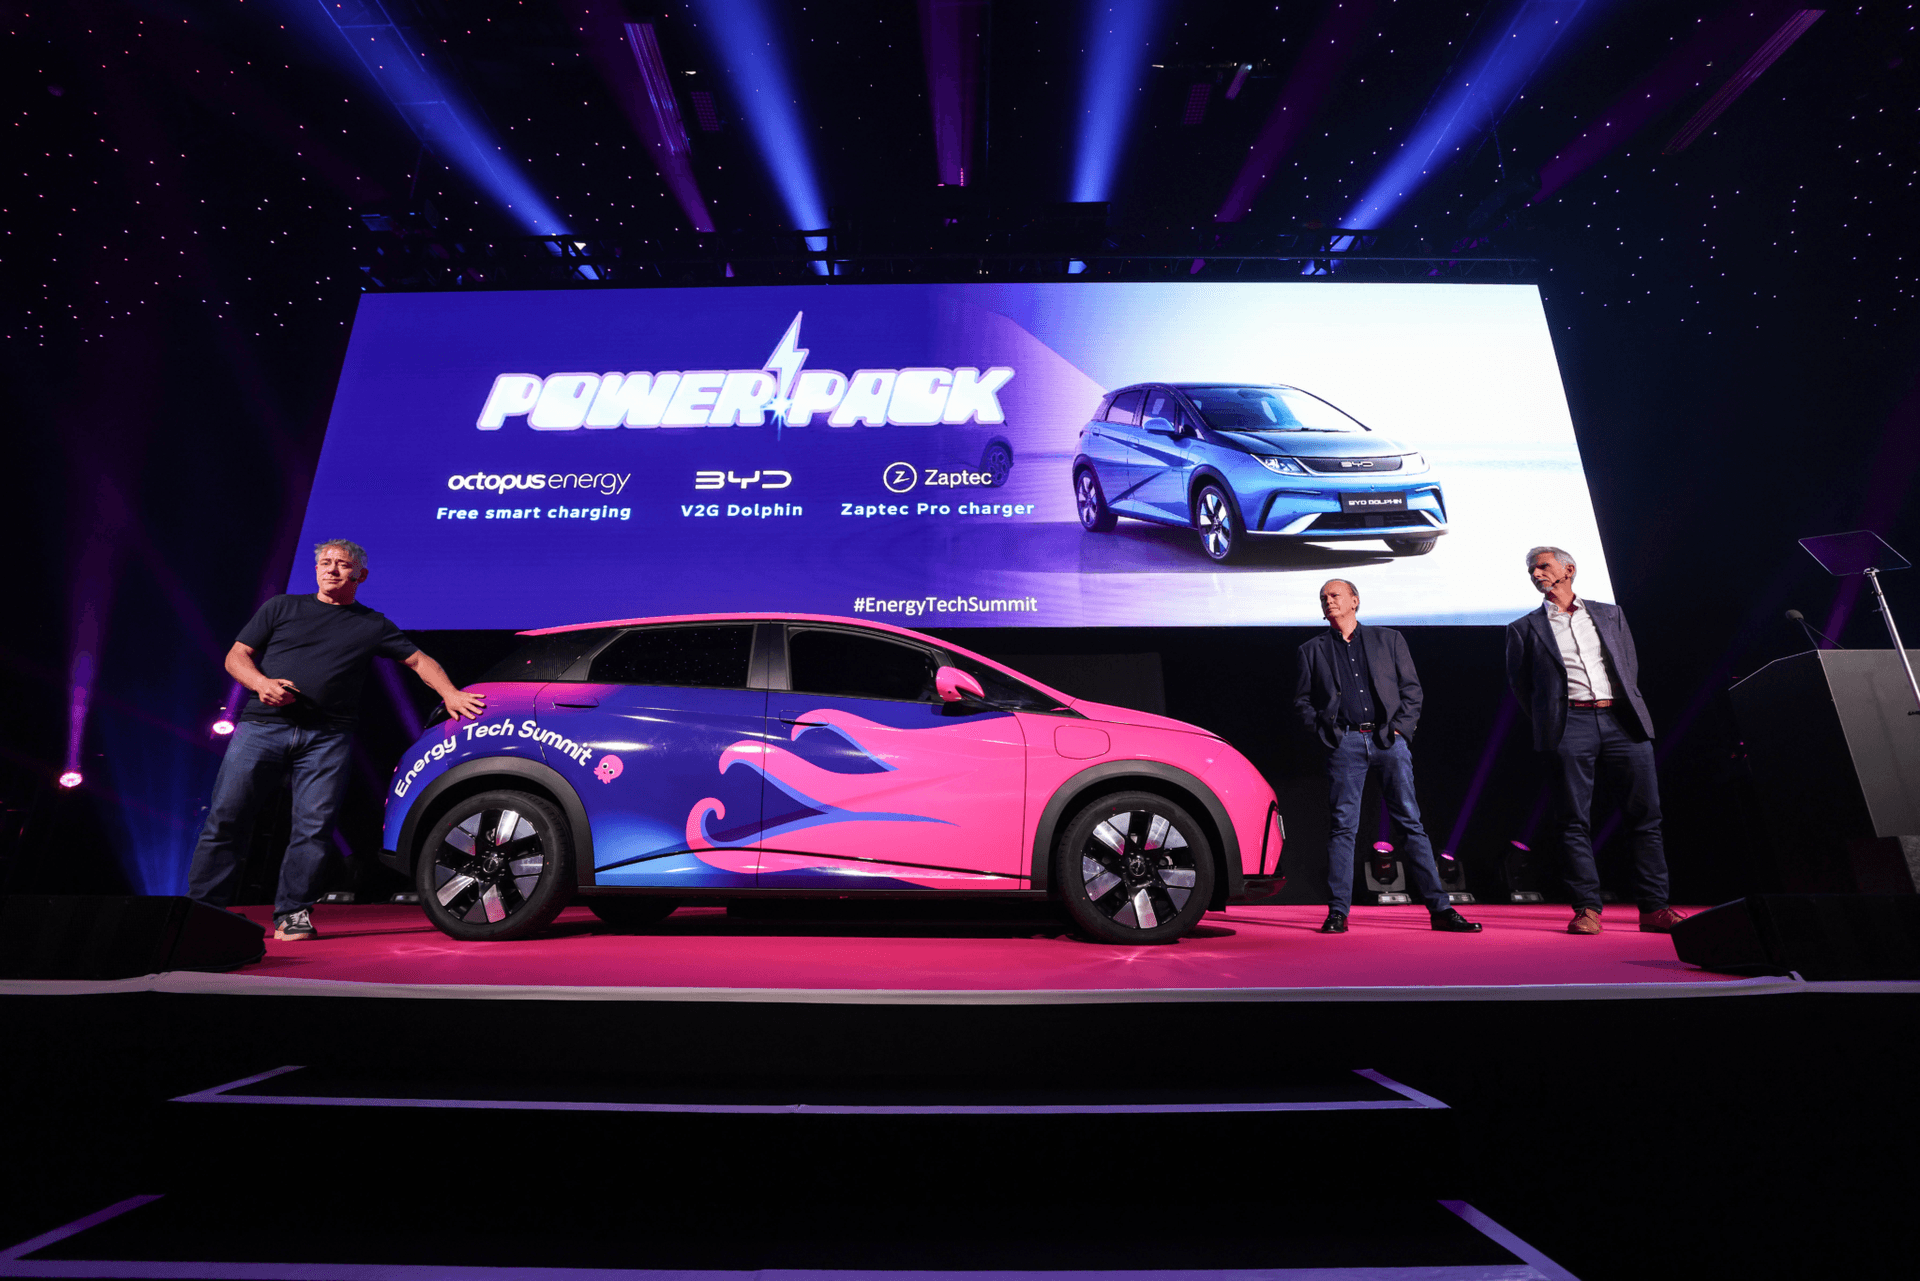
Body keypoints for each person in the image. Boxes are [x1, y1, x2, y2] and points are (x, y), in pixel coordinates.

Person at [186, 539, 486, 941]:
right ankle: (203, 910)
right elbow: (236, 656)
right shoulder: (281, 607)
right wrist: (261, 684)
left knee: (313, 828)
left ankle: (293, 913)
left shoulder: (371, 624)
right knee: (227, 817)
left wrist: (450, 693)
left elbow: (418, 660)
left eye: (342, 564)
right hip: (262, 728)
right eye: (325, 562)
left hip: (327, 737)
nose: (331, 569)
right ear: (315, 570)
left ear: (360, 575)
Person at [1506, 546, 1688, 935]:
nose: (1536, 574)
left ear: (1568, 570)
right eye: (1531, 569)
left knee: (1645, 816)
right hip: (1569, 724)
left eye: (1543, 566)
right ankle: (1587, 908)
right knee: (1573, 819)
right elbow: (1522, 687)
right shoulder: (1523, 628)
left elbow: (1627, 665)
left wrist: (1620, 703)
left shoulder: (1609, 614)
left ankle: (1654, 908)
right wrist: (1553, 721)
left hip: (1622, 720)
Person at [1293, 579, 1481, 935]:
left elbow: (1412, 690)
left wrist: (1400, 731)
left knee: (1410, 824)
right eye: (1323, 597)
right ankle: (1338, 913)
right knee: (1343, 828)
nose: (1328, 601)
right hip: (1345, 743)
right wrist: (1325, 733)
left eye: (1335, 595)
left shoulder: (1389, 639)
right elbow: (1302, 701)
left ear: (1355, 601)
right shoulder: (1311, 650)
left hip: (1388, 742)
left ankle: (1441, 910)